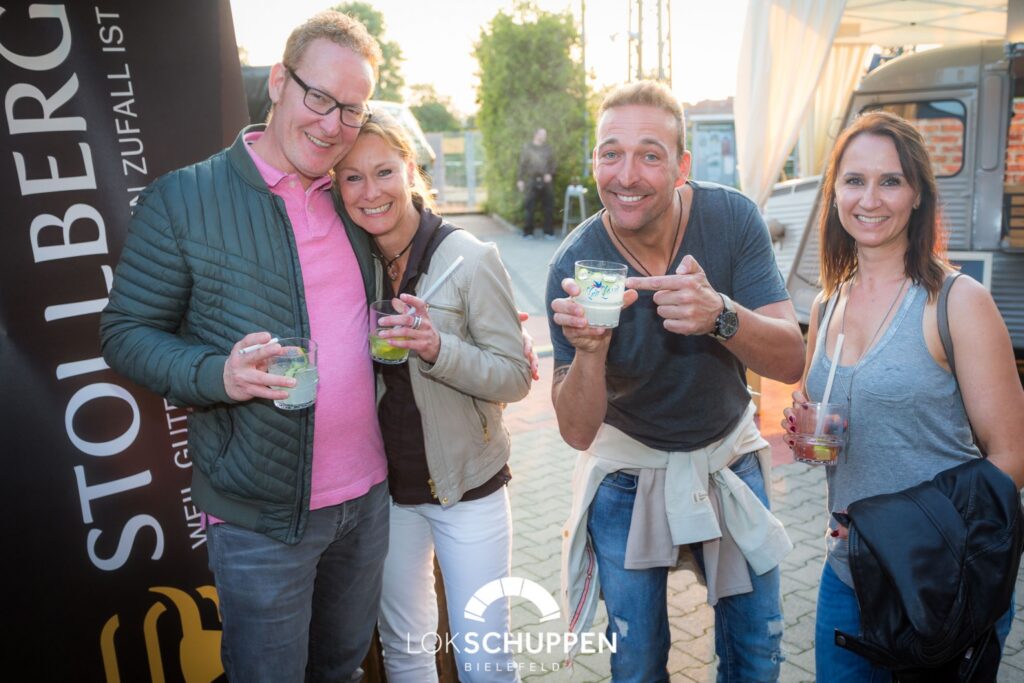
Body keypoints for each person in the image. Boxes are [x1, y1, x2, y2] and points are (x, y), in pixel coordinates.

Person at [100, 12, 390, 682]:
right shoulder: (185, 198)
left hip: (368, 500)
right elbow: (124, 332)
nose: (333, 125)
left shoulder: (354, 196)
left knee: (342, 670)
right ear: (280, 82)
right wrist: (217, 375)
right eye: (319, 97)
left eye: (352, 109)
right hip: (260, 520)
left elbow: (415, 249)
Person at [547, 80, 805, 683]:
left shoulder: (730, 218)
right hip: (627, 474)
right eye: (611, 153)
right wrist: (590, 354)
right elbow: (578, 432)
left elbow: (792, 360)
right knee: (636, 663)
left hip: (727, 459)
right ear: (594, 162)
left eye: (649, 154)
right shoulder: (576, 263)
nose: (626, 175)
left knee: (757, 650)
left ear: (682, 166)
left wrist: (721, 315)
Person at [782, 110, 1024, 681]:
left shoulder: (957, 302)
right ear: (835, 194)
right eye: (854, 180)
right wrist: (806, 427)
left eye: (890, 181)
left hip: (940, 581)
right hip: (848, 575)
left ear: (917, 195)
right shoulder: (826, 304)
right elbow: (835, 417)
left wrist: (888, 525)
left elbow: (1013, 457)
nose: (870, 199)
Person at [335, 113, 531, 681]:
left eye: (383, 172)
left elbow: (513, 376)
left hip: (468, 488)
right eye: (352, 177)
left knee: (483, 658)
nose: (370, 192)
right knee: (406, 651)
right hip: (386, 493)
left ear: (409, 169)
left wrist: (438, 347)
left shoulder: (471, 258)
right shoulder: (349, 262)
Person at [517, 127, 556, 239]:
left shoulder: (548, 148)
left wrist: (550, 174)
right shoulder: (527, 148)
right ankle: (528, 232)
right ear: (536, 135)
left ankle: (548, 232)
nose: (545, 136)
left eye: (545, 134)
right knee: (529, 207)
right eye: (542, 134)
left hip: (546, 181)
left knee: (548, 207)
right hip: (531, 180)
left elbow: (553, 163)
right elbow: (522, 164)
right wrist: (520, 179)